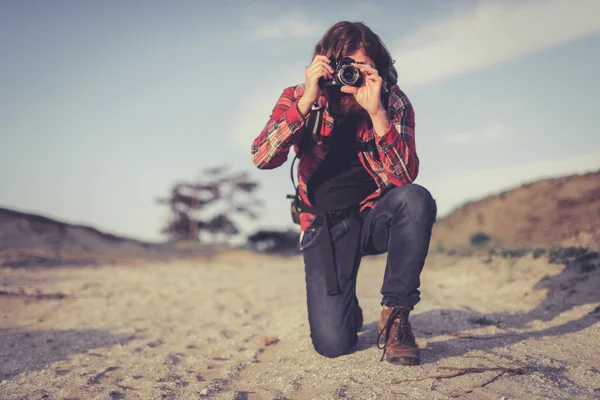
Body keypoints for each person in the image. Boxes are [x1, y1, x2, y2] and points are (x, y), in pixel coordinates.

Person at [250, 21, 437, 365]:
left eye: (361, 67)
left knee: (416, 198)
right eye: (344, 66)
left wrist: (376, 112)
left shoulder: (392, 102)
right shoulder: (301, 96)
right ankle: (345, 306)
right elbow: (262, 157)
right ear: (327, 64)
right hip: (323, 224)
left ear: (379, 68)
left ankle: (395, 315)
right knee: (333, 345)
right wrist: (306, 100)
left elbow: (405, 176)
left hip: (372, 217)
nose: (351, 75)